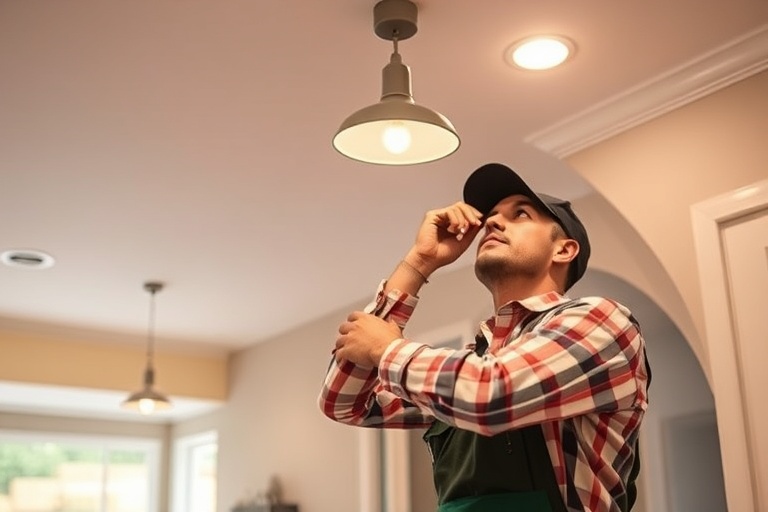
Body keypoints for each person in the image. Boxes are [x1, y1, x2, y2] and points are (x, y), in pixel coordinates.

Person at [318, 162, 650, 512]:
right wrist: (419, 263)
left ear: (564, 250)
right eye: (491, 216)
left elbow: (491, 394)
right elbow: (344, 403)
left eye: (520, 214)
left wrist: (386, 350)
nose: (492, 222)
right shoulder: (462, 371)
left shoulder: (602, 321)